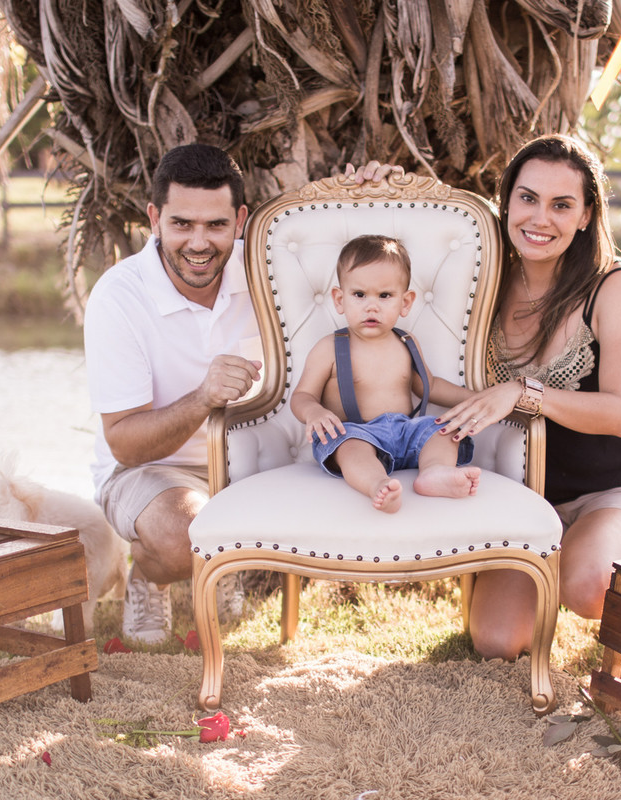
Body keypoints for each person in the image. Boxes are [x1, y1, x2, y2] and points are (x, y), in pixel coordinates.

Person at [84, 143, 395, 646]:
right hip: (151, 468)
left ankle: (220, 554)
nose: (199, 243)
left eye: (216, 225)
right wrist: (202, 397)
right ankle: (153, 573)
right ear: (155, 219)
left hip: (250, 459)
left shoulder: (270, 265)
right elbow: (124, 443)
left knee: (224, 521)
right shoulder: (118, 297)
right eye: (181, 224)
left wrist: (372, 196)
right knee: (181, 535)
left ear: (242, 220)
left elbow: (362, 260)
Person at [436, 134, 621, 659]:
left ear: (586, 215)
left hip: (619, 486)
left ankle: (616, 572)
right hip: (527, 498)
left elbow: (619, 413)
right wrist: (374, 182)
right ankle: (556, 559)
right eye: (527, 198)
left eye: (561, 205)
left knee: (588, 586)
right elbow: (400, 242)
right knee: (497, 642)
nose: (540, 218)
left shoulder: (612, 284)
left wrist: (522, 392)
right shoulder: (483, 276)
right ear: (506, 201)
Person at [291, 235, 481, 513]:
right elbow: (302, 395)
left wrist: (477, 399)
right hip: (356, 432)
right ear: (339, 299)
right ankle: (377, 484)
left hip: (405, 431)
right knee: (349, 446)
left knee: (442, 429)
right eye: (359, 295)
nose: (372, 306)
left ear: (405, 302)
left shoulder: (407, 342)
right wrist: (314, 412)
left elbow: (429, 385)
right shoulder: (329, 348)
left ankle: (435, 472)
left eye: (384, 296)